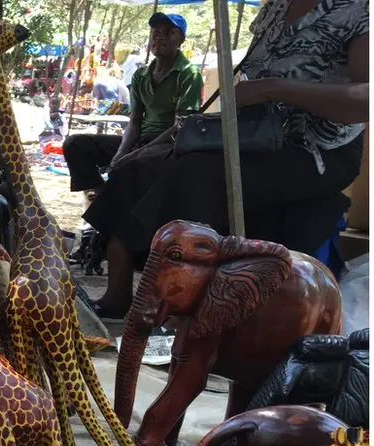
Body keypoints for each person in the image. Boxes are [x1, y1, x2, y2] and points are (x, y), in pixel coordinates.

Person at [85, 0, 368, 319]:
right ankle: (118, 296)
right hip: (255, 135)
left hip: (318, 150)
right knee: (138, 166)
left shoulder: (358, 12)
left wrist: (274, 89)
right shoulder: (276, 6)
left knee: (196, 175)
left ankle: (168, 307)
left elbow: (365, 100)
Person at [62, 13, 202, 195]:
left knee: (137, 163)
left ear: (181, 40)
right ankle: (101, 196)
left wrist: (135, 154)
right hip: (141, 140)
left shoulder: (188, 74)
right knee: (75, 144)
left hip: (168, 147)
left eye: (169, 33)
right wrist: (121, 154)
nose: (160, 37)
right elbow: (135, 121)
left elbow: (180, 128)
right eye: (156, 32)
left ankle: (107, 206)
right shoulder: (140, 75)